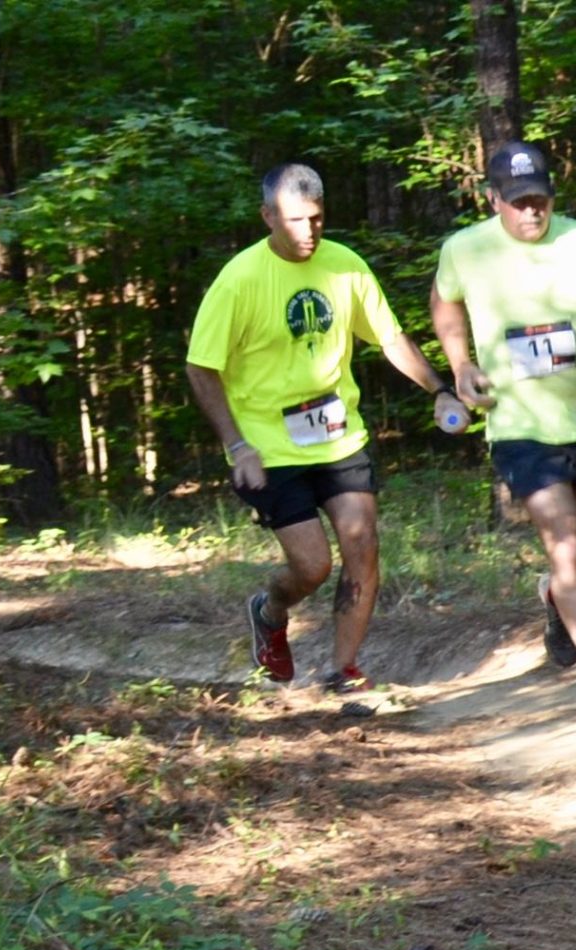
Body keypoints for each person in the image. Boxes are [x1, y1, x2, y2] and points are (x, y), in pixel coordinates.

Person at [188, 162, 463, 692]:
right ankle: (270, 611)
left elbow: (388, 338)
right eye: (294, 220)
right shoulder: (239, 280)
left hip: (339, 434)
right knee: (312, 567)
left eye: (315, 218)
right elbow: (201, 367)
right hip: (269, 447)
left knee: (362, 542)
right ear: (267, 216)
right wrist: (236, 443)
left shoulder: (346, 266)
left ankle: (344, 669)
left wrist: (439, 388)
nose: (308, 231)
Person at [431, 140, 576, 725]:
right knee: (567, 544)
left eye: (540, 201)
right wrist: (460, 363)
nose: (531, 212)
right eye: (519, 202)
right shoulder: (465, 249)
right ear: (493, 199)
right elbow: (445, 306)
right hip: (520, 426)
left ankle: (556, 597)